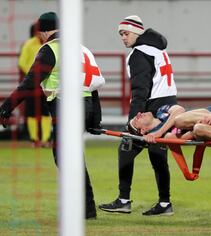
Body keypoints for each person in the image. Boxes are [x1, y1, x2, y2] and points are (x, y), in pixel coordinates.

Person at [0, 12, 105, 219]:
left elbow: (30, 81)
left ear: (44, 31)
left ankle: (79, 208)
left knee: (65, 158)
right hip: (85, 105)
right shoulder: (82, 49)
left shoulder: (51, 49)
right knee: (72, 158)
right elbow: (93, 87)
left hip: (65, 105)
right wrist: (94, 118)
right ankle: (87, 208)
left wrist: (6, 107)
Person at [99, 15, 177, 216]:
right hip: (168, 107)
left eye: (126, 33)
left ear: (137, 32)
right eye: (121, 34)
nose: (123, 38)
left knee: (126, 148)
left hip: (152, 110)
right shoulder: (158, 49)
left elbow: (140, 90)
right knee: (158, 156)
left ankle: (124, 200)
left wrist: (133, 122)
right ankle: (164, 203)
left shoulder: (139, 53)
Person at [129, 104, 211, 143]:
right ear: (142, 131)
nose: (139, 114)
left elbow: (179, 110)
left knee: (179, 121)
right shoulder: (164, 137)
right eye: (136, 119)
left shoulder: (161, 111)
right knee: (198, 128)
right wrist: (196, 123)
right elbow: (187, 137)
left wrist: (159, 131)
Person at [18, 22, 52, 147]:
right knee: (31, 111)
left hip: (46, 82)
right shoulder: (29, 44)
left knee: (45, 110)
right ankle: (34, 139)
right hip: (33, 82)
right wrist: (34, 74)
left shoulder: (49, 44)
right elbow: (22, 62)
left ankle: (46, 139)